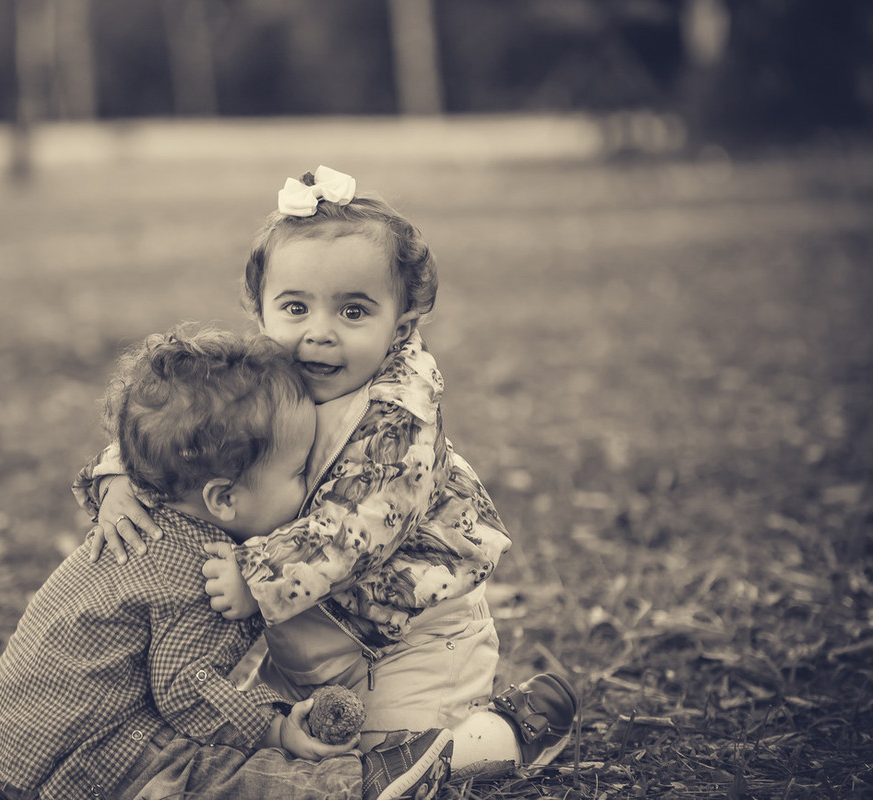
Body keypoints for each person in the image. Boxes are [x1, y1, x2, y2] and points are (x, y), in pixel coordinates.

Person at [78, 167, 579, 779]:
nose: (319, 332)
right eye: (295, 307)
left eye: (353, 310)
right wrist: (118, 477)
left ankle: (507, 733)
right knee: (281, 753)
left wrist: (258, 574)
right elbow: (185, 424)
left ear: (400, 325)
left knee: (392, 761)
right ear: (261, 312)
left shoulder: (398, 420)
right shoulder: (262, 377)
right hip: (305, 638)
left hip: (409, 639)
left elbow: (358, 530)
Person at [0, 327, 454, 800]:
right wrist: (275, 728)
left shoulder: (146, 515)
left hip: (5, 741)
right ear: (223, 499)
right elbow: (187, 693)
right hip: (80, 761)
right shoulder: (207, 571)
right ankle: (352, 787)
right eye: (297, 472)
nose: (308, 488)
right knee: (207, 771)